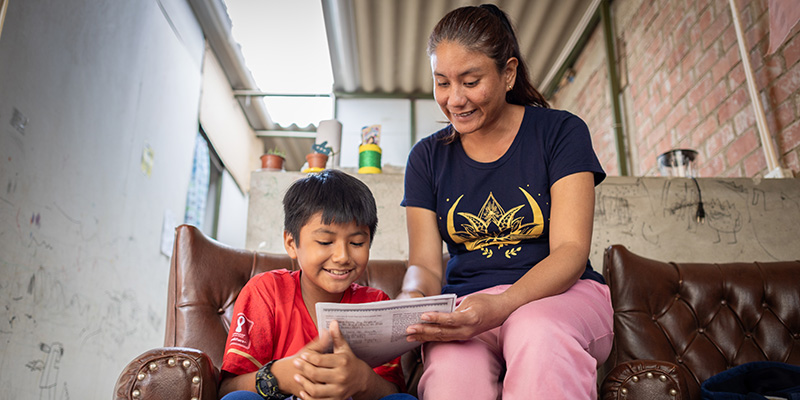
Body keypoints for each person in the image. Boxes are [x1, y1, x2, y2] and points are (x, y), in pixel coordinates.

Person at [399, 4, 614, 399]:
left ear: (508, 73)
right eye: (442, 82)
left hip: (561, 297)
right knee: (450, 372)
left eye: (470, 81)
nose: (455, 99)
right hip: (467, 310)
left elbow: (569, 251)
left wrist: (501, 306)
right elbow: (424, 267)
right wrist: (409, 299)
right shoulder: (426, 158)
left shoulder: (560, 132)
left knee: (535, 330)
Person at [219, 169, 415, 400]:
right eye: (325, 241)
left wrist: (363, 380)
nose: (342, 256)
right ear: (292, 243)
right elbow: (228, 390)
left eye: (356, 242)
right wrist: (278, 376)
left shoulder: (376, 303)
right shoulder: (266, 292)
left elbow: (393, 391)